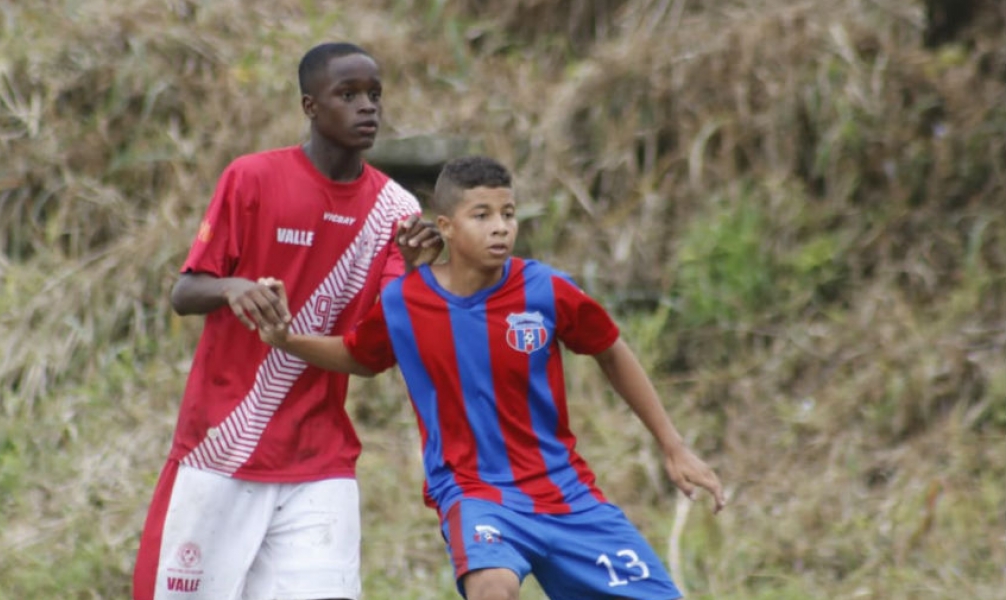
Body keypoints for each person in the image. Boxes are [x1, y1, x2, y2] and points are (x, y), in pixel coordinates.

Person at [258, 156, 726, 600]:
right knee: (492, 586)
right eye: (481, 215)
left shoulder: (546, 290)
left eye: (508, 213)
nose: (501, 226)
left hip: (565, 493)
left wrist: (673, 445)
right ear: (445, 227)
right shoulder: (405, 301)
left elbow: (611, 349)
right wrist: (287, 340)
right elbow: (361, 355)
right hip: (475, 493)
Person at [132, 42, 442, 600]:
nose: (367, 107)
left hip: (318, 464)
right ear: (310, 106)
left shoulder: (396, 213)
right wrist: (233, 288)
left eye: (374, 94)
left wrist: (417, 277)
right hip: (219, 449)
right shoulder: (251, 179)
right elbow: (184, 292)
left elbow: (374, 352)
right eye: (347, 95)